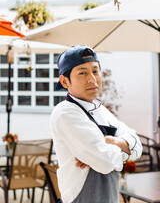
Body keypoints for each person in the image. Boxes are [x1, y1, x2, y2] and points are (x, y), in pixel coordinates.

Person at [50, 45, 142, 203]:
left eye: (95, 70)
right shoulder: (65, 112)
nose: (92, 78)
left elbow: (138, 145)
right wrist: (124, 148)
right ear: (64, 81)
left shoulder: (101, 110)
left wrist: (112, 144)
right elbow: (105, 162)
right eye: (83, 72)